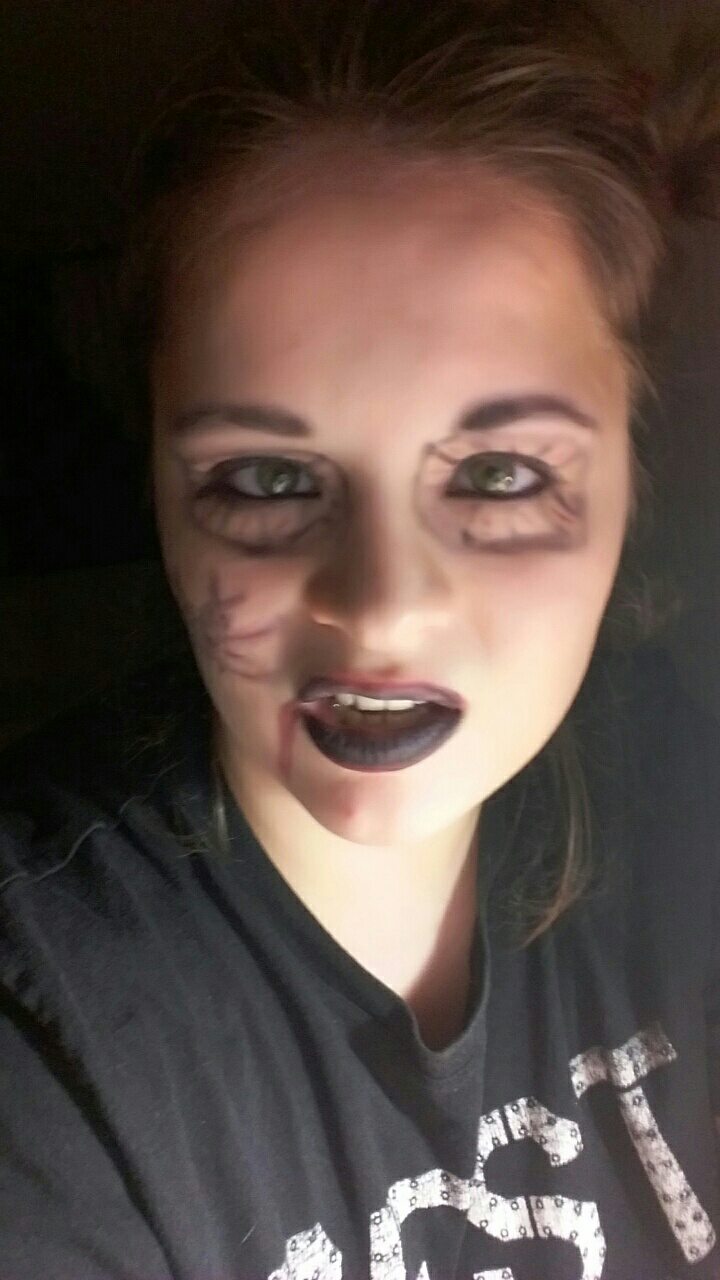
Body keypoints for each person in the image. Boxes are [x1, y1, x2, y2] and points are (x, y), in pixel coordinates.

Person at [1, 1, 719, 1276]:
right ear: (157, 484)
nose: (381, 608)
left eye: (499, 473)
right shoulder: (46, 1020)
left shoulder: (680, 794)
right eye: (269, 480)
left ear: (632, 476)